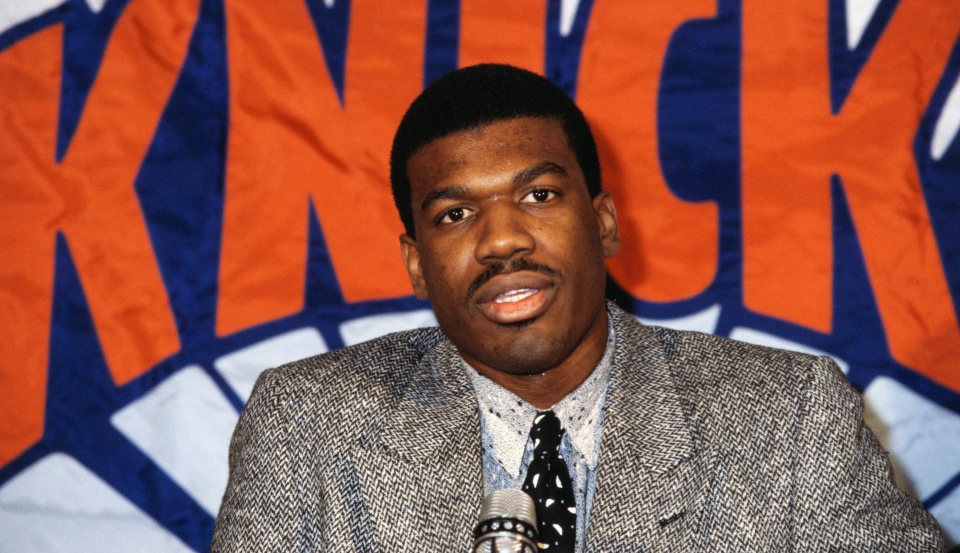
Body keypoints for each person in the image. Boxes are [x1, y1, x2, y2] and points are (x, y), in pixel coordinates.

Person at [211, 64, 943, 552]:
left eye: (538, 195)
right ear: (416, 265)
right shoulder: (306, 423)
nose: (501, 239)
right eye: (455, 214)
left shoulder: (788, 414)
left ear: (604, 223)